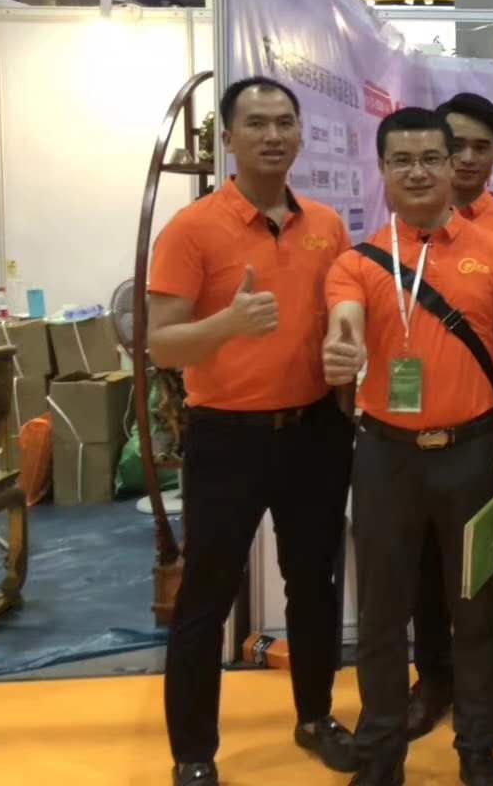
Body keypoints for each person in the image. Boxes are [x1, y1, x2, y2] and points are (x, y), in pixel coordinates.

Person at [149, 78, 357, 786]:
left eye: (285, 122)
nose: (273, 136)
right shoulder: (191, 229)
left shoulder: (326, 224)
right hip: (225, 438)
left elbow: (341, 317)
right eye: (257, 123)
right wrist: (228, 325)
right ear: (228, 137)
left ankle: (316, 717)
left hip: (314, 432)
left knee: (315, 584)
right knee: (206, 597)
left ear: (300, 133)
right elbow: (160, 344)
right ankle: (193, 753)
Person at [323, 107, 493, 786]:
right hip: (387, 457)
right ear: (383, 169)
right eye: (402, 160)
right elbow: (345, 319)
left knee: (478, 612)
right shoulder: (355, 262)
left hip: (475, 452)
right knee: (383, 615)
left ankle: (477, 749)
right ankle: (381, 753)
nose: (417, 172)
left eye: (430, 159)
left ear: (452, 167)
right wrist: (342, 345)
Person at [399, 93, 493, 744]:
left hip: (489, 422)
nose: (465, 158)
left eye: (481, 147)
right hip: (413, 425)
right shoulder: (398, 231)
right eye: (453, 145)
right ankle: (434, 678)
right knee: (427, 561)